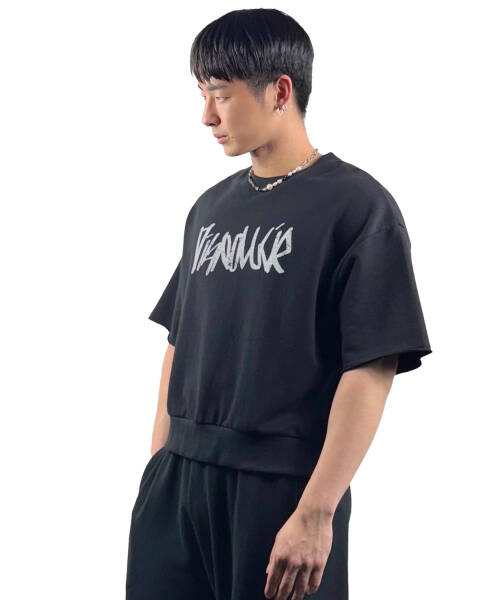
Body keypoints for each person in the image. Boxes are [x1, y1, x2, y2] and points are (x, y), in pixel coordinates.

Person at [125, 8, 432, 600]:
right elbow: (179, 345)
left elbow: (371, 366)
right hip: (178, 480)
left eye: (221, 95)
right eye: (201, 94)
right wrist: (158, 471)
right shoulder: (209, 209)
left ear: (280, 92)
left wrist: (317, 510)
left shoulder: (358, 208)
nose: (207, 116)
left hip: (280, 486)